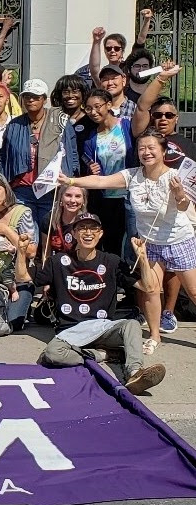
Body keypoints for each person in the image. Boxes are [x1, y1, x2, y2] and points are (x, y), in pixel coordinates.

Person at [60, 129, 196, 356]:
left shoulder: (174, 176)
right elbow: (101, 180)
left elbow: (183, 207)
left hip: (178, 240)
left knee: (193, 291)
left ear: (163, 151)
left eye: (152, 148)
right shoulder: (132, 176)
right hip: (149, 244)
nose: (146, 152)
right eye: (142, 148)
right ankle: (154, 335)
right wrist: (71, 180)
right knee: (152, 290)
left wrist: (180, 193)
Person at [37, 213, 165, 396]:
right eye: (82, 228)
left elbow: (149, 287)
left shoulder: (111, 261)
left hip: (102, 327)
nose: (88, 233)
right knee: (51, 354)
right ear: (73, 233)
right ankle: (104, 355)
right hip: (71, 329)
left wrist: (143, 259)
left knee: (132, 324)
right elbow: (25, 278)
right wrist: (21, 251)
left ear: (101, 233)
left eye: (93, 229)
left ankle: (135, 373)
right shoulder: (59, 261)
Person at [133, 63, 196, 332]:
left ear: (176, 118)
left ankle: (169, 311)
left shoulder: (189, 144)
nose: (163, 119)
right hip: (148, 207)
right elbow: (141, 108)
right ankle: (151, 321)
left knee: (182, 271)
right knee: (148, 272)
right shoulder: (144, 138)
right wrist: (161, 78)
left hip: (183, 209)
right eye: (158, 114)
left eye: (169, 115)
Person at [0, 78, 80, 241]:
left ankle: (47, 266)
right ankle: (28, 266)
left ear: (44, 99)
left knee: (51, 236)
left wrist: (71, 182)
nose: (31, 100)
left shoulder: (60, 121)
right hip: (22, 190)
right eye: (27, 96)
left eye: (36, 96)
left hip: (51, 189)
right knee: (27, 237)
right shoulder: (15, 125)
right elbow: (5, 158)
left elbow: (72, 155)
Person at [80, 88, 137, 255]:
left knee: (131, 241)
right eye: (88, 108)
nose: (93, 112)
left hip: (128, 194)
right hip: (106, 197)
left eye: (98, 106)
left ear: (109, 105)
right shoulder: (91, 138)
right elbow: (87, 159)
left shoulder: (126, 125)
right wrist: (91, 166)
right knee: (111, 241)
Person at [0, 172, 38, 329]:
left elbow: (32, 251)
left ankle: (25, 300)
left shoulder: (22, 212)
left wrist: (6, 231)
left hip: (18, 279)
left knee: (13, 322)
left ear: (6, 189)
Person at [46, 185, 89, 259]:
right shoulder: (49, 220)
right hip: (56, 266)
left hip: (78, 267)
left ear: (83, 201)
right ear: (61, 199)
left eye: (78, 196)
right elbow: (46, 252)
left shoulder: (87, 223)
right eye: (68, 195)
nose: (72, 200)